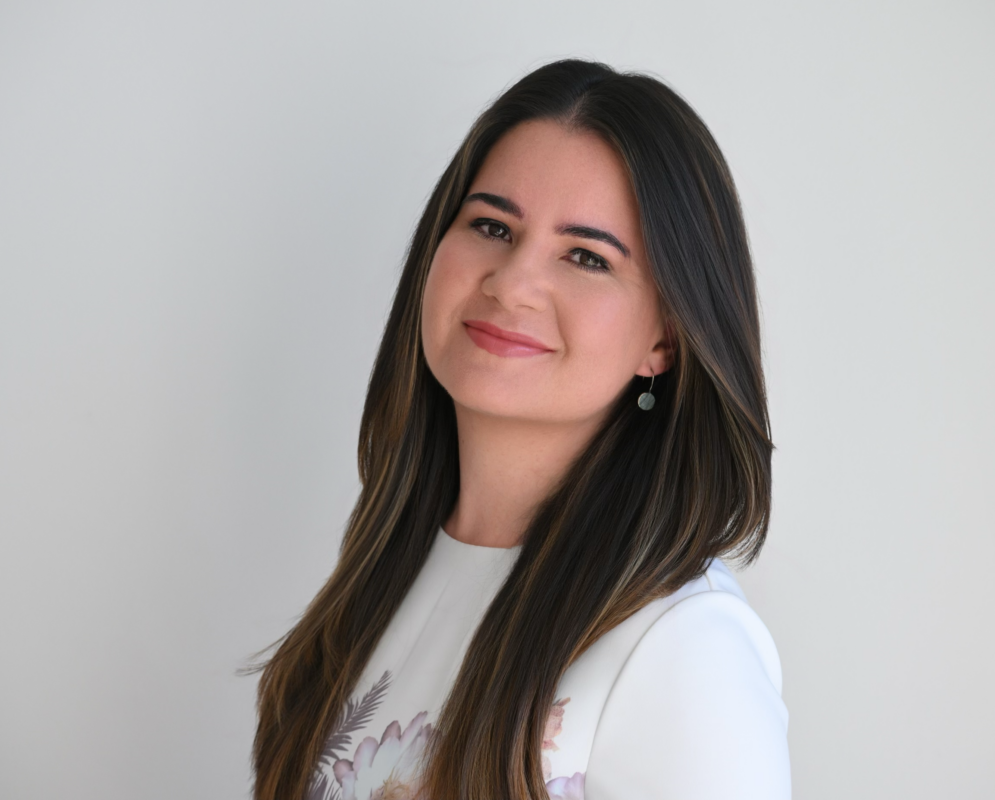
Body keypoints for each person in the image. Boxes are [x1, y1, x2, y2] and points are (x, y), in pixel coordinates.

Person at [249, 58, 791, 800]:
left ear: (664, 337)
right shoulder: (385, 572)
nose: (511, 282)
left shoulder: (683, 645)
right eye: (492, 226)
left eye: (585, 256)